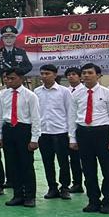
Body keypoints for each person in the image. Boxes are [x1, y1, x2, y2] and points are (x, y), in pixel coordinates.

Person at [70, 62, 109, 214]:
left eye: (90, 73)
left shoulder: (107, 93)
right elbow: (71, 117)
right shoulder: (76, 94)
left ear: (98, 75)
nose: (86, 75)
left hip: (102, 133)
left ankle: (107, 201)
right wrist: (72, 139)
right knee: (88, 170)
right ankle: (93, 201)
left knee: (108, 170)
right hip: (83, 133)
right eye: (84, 73)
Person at [0, 67, 40, 207]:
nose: (9, 81)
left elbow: (36, 118)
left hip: (23, 130)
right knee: (12, 164)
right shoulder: (3, 95)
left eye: (12, 78)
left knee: (26, 165)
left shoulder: (30, 96)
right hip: (8, 129)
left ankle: (30, 196)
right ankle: (17, 195)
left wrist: (34, 139)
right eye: (7, 78)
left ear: (21, 79)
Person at [35, 63, 78, 200]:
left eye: (47, 74)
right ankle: (52, 187)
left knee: (63, 162)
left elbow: (70, 113)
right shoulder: (37, 92)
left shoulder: (64, 92)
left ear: (55, 75)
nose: (44, 76)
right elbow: (35, 114)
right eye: (42, 74)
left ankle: (64, 187)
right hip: (44, 133)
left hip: (60, 132)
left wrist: (71, 135)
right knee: (47, 162)